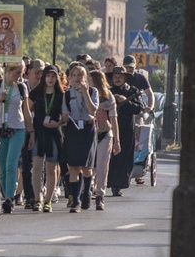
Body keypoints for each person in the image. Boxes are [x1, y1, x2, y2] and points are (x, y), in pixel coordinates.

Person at [0, 61, 33, 214]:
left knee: (11, 163)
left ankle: (9, 198)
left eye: (22, 73)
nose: (20, 76)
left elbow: (26, 111)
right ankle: (5, 194)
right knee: (1, 166)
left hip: (17, 128)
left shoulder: (21, 87)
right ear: (8, 70)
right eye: (17, 73)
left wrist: (31, 131)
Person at [61, 64, 99, 212]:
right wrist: (64, 117)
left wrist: (85, 92)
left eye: (80, 75)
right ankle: (75, 200)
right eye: (74, 75)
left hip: (87, 130)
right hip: (73, 129)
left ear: (85, 78)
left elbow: (92, 110)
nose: (77, 78)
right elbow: (64, 114)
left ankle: (87, 192)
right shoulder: (67, 94)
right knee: (74, 166)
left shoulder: (92, 91)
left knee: (86, 166)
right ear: (70, 78)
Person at [27, 65, 65, 212]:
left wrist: (59, 123)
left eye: (53, 76)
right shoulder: (36, 92)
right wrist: (30, 130)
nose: (50, 79)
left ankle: (48, 200)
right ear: (44, 78)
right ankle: (37, 198)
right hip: (38, 132)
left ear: (57, 78)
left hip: (54, 133)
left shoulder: (61, 94)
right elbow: (26, 110)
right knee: (36, 166)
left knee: (51, 168)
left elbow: (65, 115)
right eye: (48, 76)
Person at [107, 66, 144, 197]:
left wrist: (125, 102)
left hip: (127, 129)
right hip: (110, 128)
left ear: (125, 78)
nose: (117, 79)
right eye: (115, 76)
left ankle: (119, 185)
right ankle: (109, 182)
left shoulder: (132, 91)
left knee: (124, 157)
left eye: (120, 76)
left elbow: (139, 108)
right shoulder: (107, 91)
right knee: (111, 157)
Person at [90, 70, 120, 210]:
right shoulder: (86, 94)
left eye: (89, 79)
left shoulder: (109, 97)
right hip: (89, 134)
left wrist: (117, 141)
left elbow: (114, 120)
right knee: (89, 166)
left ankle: (100, 195)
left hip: (105, 133)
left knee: (102, 166)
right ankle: (85, 190)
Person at [19, 59, 45, 208]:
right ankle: (29, 195)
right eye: (37, 72)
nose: (39, 76)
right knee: (26, 164)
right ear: (28, 72)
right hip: (24, 128)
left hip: (41, 128)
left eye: (42, 73)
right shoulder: (23, 87)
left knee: (38, 163)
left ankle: (38, 194)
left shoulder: (44, 88)